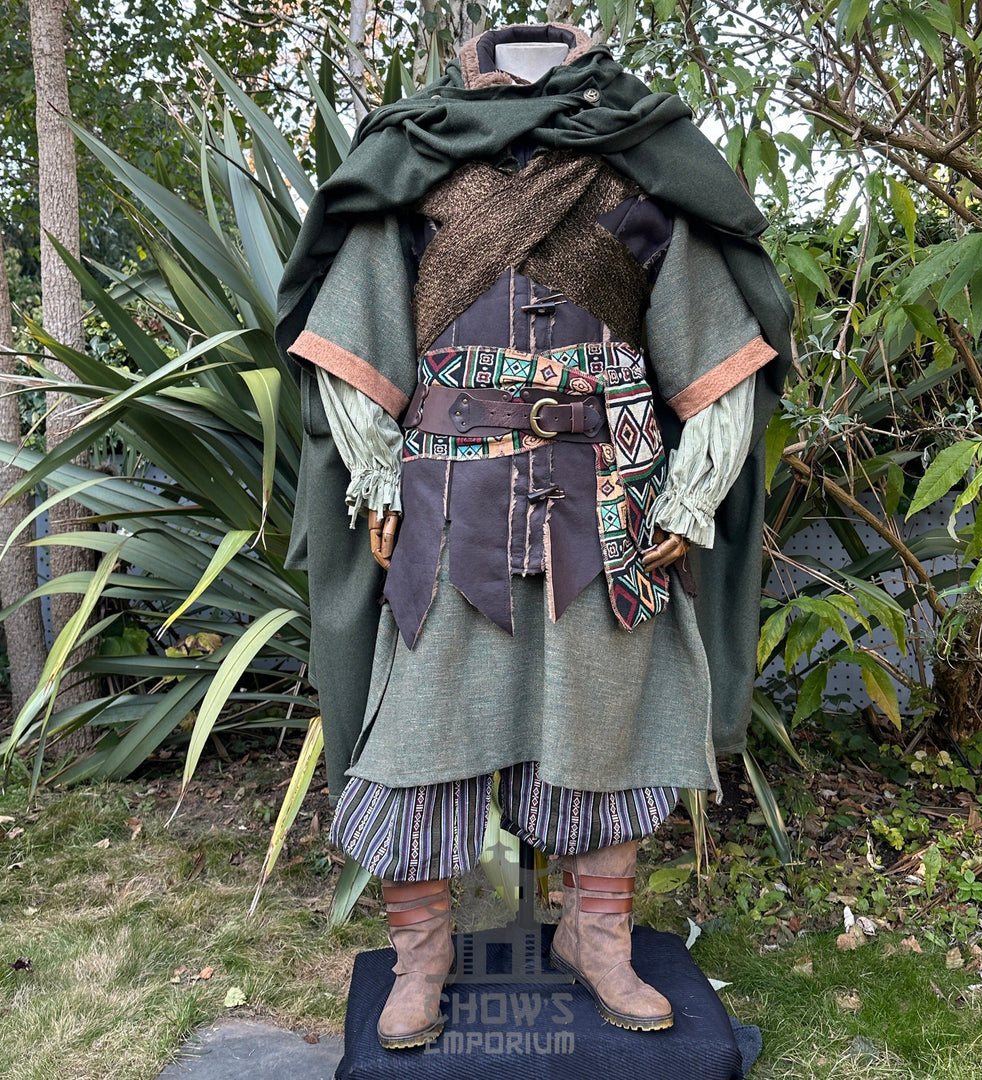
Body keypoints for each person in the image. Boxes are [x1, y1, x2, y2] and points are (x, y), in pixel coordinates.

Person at [275, 20, 794, 1051]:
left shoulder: (642, 165)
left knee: (603, 719)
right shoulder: (415, 159)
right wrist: (374, 467)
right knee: (417, 729)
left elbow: (718, 347)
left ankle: (595, 939)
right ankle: (421, 953)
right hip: (445, 503)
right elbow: (351, 336)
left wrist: (691, 492)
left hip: (610, 505)